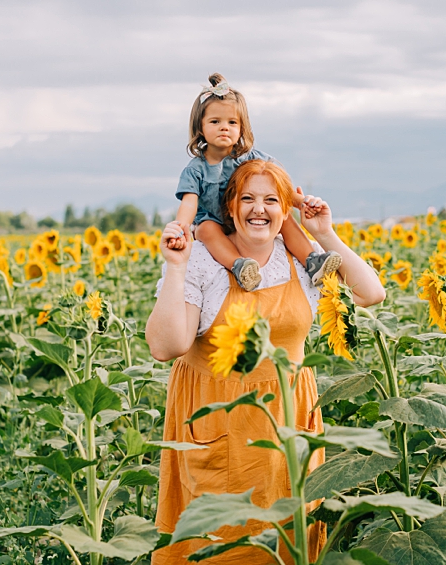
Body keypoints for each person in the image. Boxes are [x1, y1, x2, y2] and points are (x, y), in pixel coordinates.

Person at [147, 160, 385, 565]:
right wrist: (175, 267)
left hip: (290, 420)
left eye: (271, 200)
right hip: (217, 417)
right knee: (219, 540)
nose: (260, 209)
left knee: (287, 537)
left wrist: (324, 232)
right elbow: (167, 346)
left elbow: (370, 293)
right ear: (230, 207)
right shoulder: (203, 261)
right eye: (248, 199)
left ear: (284, 211)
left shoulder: (300, 258)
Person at [164, 73, 341, 292]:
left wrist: (302, 202)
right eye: (215, 121)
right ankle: (239, 266)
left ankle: (312, 261)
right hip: (215, 222)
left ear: (241, 128)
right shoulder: (196, 170)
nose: (224, 127)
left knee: (283, 217)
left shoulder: (250, 158)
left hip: (247, 216)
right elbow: (189, 204)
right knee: (205, 230)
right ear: (200, 128)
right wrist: (180, 229)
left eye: (232, 122)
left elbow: (280, 189)